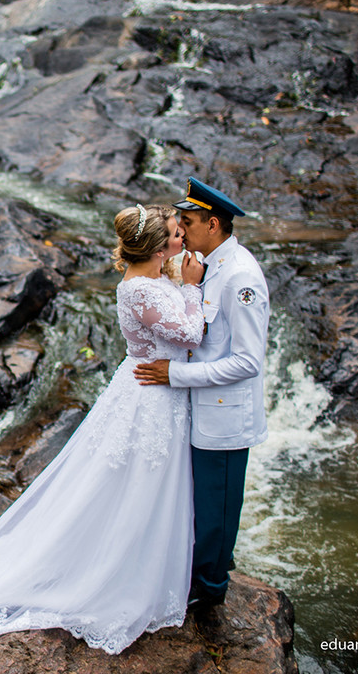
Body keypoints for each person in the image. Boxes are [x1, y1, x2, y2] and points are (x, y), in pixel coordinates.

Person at [0, 203, 206, 655]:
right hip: (149, 397)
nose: (181, 239)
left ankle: (151, 562)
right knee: (136, 480)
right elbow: (190, 334)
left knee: (151, 481)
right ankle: (116, 572)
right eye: (174, 234)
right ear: (154, 248)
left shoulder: (156, 275)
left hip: (160, 391)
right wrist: (192, 289)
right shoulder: (139, 291)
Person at [134, 177, 269, 610]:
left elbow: (248, 362)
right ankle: (199, 575)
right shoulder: (205, 263)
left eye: (187, 222)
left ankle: (211, 592)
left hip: (225, 416)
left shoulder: (241, 277)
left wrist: (175, 375)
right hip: (197, 408)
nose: (181, 229)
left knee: (217, 507)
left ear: (213, 224)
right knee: (199, 503)